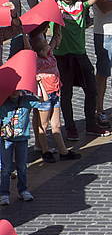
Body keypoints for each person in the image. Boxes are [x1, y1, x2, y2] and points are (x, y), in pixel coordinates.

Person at [52, 0, 111, 140]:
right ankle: (70, 128)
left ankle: (91, 124)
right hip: (62, 56)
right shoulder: (53, 5)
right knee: (66, 95)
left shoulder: (81, 4)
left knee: (91, 90)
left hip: (80, 54)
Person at [29, 31, 81, 163]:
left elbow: (56, 38)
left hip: (55, 93)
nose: (49, 45)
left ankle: (63, 152)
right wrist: (24, 37)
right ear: (40, 50)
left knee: (56, 124)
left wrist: (57, 28)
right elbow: (29, 49)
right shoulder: (36, 60)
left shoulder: (50, 54)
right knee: (44, 124)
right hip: (44, 96)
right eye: (45, 44)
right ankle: (45, 150)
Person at [0, 88, 42, 206]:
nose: (14, 92)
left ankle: (23, 190)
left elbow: (44, 100)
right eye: (12, 90)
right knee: (6, 168)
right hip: (6, 140)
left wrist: (39, 85)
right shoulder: (2, 101)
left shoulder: (27, 100)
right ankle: (4, 193)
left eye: (17, 90)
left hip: (22, 139)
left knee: (22, 167)